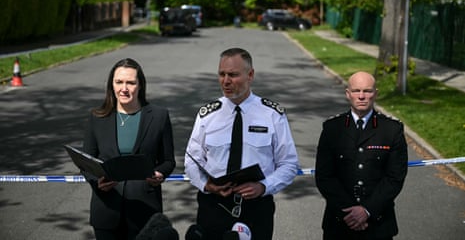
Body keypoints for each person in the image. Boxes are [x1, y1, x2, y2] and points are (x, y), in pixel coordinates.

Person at [184, 47, 299, 240]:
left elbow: (288, 163)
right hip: (214, 206)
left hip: (256, 209)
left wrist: (263, 186)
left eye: (233, 75)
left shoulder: (272, 114)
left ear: (250, 75)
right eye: (222, 74)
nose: (226, 81)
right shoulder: (208, 115)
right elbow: (191, 161)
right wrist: (208, 185)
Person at [83, 58, 176, 240]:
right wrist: (97, 182)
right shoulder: (97, 117)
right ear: (111, 84)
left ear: (140, 85)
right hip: (106, 211)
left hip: (145, 211)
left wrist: (159, 174)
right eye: (119, 82)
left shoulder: (159, 116)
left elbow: (168, 161)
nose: (124, 88)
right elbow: (86, 161)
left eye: (130, 83)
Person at [315, 71, 408, 240]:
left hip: (378, 223)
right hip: (339, 221)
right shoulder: (332, 129)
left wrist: (366, 210)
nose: (362, 96)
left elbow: (395, 177)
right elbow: (324, 176)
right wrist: (350, 212)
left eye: (367, 91)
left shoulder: (392, 130)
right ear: (348, 94)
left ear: (376, 94)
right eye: (356, 91)